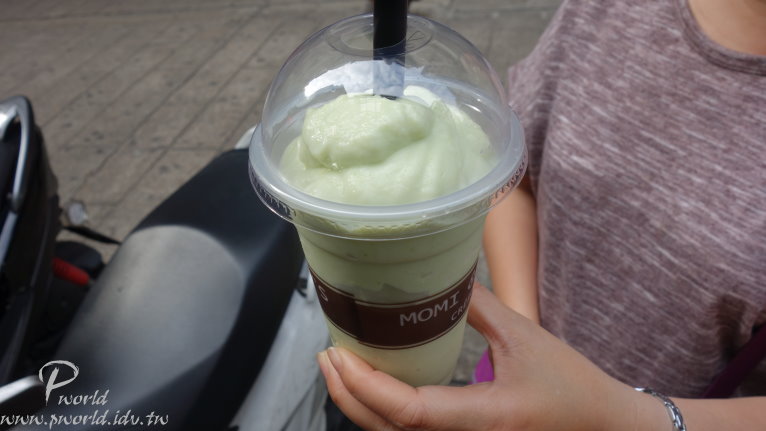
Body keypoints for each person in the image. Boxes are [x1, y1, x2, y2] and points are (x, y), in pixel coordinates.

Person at [317, 0, 766, 429]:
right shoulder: (607, 10)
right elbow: (516, 174)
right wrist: (523, 336)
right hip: (510, 382)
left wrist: (618, 417)